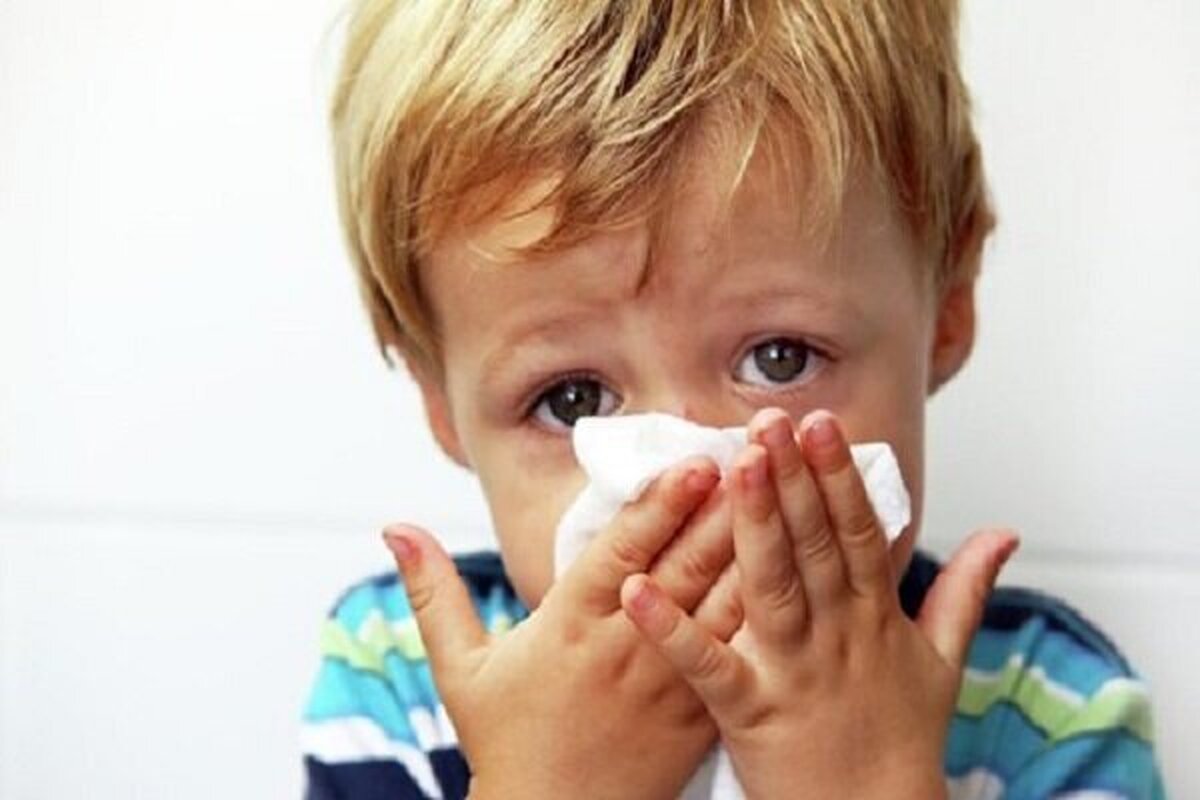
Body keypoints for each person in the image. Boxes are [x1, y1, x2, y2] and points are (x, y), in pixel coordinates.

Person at [302, 1, 1165, 797]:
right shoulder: (398, 684)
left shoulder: (1048, 710)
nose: (688, 480)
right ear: (441, 404)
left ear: (947, 309)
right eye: (572, 400)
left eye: (779, 360)